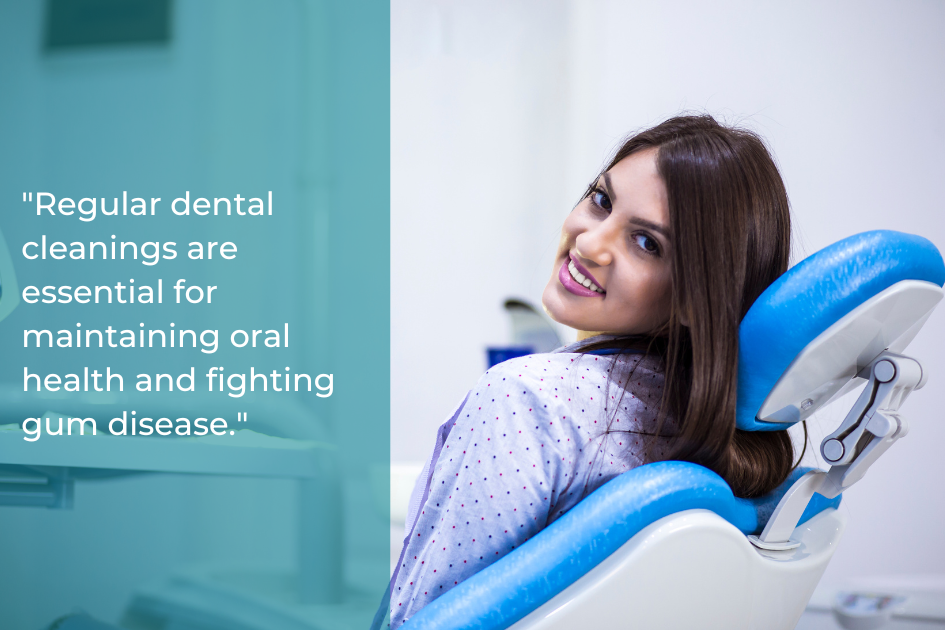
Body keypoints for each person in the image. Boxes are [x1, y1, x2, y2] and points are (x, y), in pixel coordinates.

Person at [386, 114, 800, 627]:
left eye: (646, 243)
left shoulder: (526, 400)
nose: (588, 243)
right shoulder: (709, 435)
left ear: (698, 296)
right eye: (602, 200)